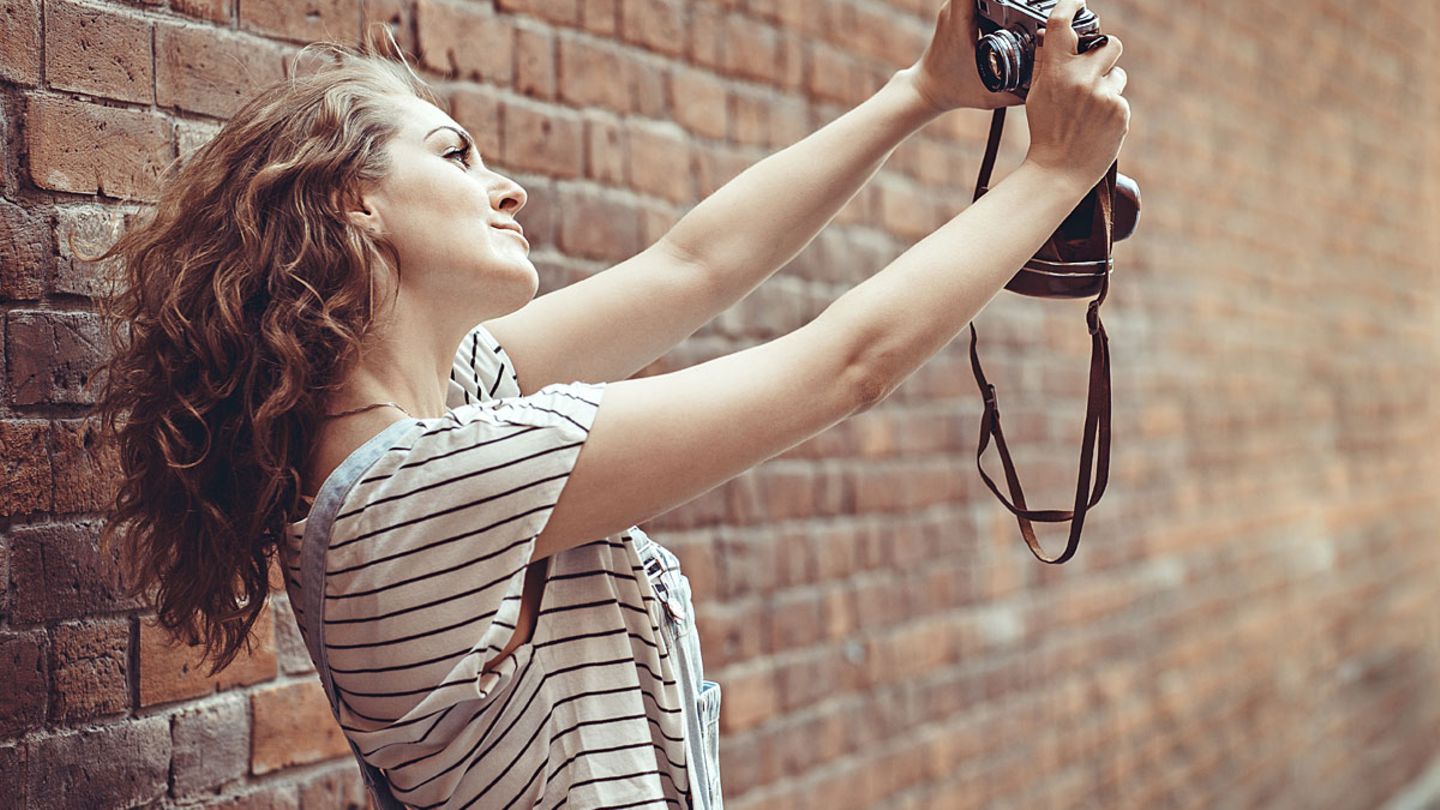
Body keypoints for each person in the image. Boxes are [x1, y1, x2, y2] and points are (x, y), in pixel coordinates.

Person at [86, 0, 1126, 807]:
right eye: (457, 155)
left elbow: (696, 265)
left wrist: (919, 91)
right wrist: (1050, 176)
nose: (509, 190)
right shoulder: (409, 500)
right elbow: (845, 367)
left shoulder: (436, 425)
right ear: (354, 203)